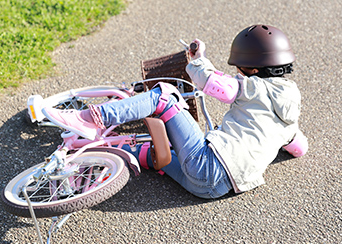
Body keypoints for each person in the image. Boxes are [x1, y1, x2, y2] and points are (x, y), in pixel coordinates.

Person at [42, 24, 308, 199]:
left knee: (166, 96)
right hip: (216, 188)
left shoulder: (254, 87)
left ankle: (91, 119)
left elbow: (217, 86)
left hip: (208, 164)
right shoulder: (290, 116)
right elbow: (300, 148)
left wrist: (199, 59)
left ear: (251, 68)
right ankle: (83, 170)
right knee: (157, 152)